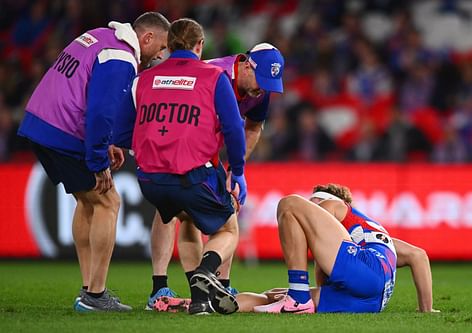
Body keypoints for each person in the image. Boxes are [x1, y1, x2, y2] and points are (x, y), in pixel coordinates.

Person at [17, 12, 170, 312]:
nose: (160, 55)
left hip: (41, 122)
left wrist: (107, 142)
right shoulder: (121, 57)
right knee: (108, 201)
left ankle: (89, 289)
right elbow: (100, 112)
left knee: (87, 203)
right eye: (162, 47)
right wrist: (98, 157)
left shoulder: (99, 36)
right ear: (147, 38)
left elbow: (80, 88)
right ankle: (96, 296)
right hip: (63, 130)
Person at [112, 18, 246, 315]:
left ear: (169, 46)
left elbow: (120, 132)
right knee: (228, 227)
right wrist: (237, 170)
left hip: (149, 180)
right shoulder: (213, 77)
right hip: (192, 176)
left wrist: (155, 149)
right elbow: (234, 128)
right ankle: (207, 271)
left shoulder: (143, 79)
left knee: (180, 216)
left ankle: (191, 298)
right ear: (200, 46)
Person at [146, 43, 285, 310]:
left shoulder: (260, 90)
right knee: (170, 211)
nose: (262, 89)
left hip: (206, 152)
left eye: (269, 83)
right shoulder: (212, 73)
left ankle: (216, 282)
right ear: (246, 64)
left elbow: (254, 127)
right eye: (261, 79)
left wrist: (236, 167)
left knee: (216, 208)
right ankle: (159, 285)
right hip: (171, 142)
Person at [235, 183, 439, 313]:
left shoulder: (335, 206)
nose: (311, 207)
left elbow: (320, 256)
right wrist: (426, 310)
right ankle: (219, 303)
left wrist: (305, 288)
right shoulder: (374, 237)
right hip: (373, 301)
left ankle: (298, 296)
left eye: (314, 202)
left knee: (290, 204)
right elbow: (418, 255)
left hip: (367, 274)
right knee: (273, 296)